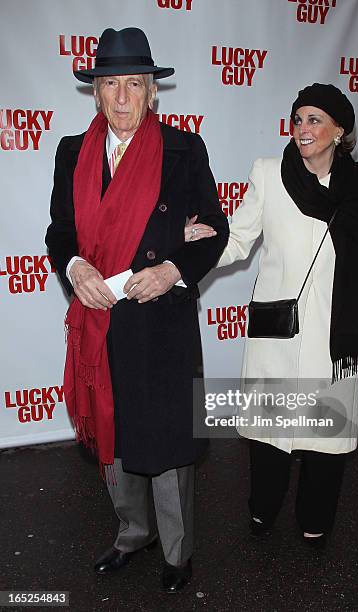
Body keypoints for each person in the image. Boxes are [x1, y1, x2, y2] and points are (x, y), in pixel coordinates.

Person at [45, 27, 229, 592]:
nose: (122, 97)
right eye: (110, 84)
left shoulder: (183, 150)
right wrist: (75, 270)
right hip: (100, 319)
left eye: (134, 84)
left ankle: (177, 552)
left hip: (160, 319)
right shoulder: (72, 153)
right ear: (95, 93)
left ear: (152, 93)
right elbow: (62, 232)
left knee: (166, 440)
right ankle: (133, 534)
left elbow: (213, 230)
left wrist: (171, 269)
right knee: (114, 435)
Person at [188, 83, 358, 544]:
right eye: (298, 119)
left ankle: (316, 519)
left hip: (335, 333)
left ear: (339, 130)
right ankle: (262, 510)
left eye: (315, 120)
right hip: (278, 326)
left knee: (326, 436)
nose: (303, 129)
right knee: (270, 435)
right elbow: (239, 239)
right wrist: (199, 244)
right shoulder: (269, 173)